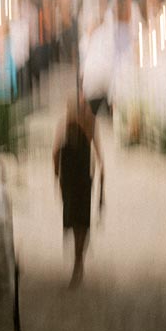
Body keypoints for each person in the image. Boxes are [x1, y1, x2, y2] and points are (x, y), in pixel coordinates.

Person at [53, 96, 104, 288]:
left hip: (76, 178)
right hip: (78, 178)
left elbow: (56, 152)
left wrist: (56, 175)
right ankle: (78, 258)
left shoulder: (69, 124)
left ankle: (78, 260)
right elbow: (56, 152)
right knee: (80, 219)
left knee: (78, 219)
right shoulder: (83, 124)